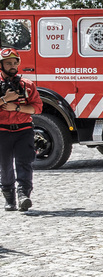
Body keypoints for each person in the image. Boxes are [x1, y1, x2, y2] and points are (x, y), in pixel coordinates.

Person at [0, 47, 43, 212]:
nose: (12, 66)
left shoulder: (28, 85)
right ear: (1, 65)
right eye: (8, 63)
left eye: (14, 63)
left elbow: (37, 108)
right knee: (5, 166)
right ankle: (9, 199)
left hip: (23, 130)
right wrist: (5, 99)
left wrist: (16, 108)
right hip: (2, 131)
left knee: (24, 163)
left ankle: (23, 195)